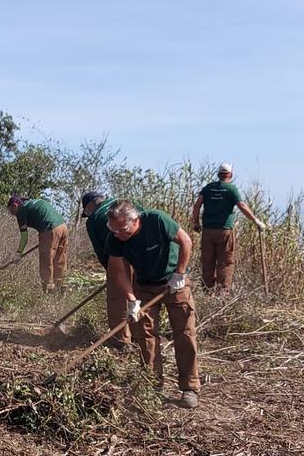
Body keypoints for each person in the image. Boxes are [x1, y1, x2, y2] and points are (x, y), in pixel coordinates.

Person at [105, 200, 201, 408]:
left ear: (135, 221)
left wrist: (180, 274)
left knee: (184, 333)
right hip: (145, 287)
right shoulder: (114, 238)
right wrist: (131, 299)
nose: (117, 234)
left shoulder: (157, 220)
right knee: (145, 336)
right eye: (113, 229)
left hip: (175, 283)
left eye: (122, 229)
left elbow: (186, 241)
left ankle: (189, 388)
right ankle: (151, 387)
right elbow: (119, 272)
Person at [191, 162, 266, 294]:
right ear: (230, 175)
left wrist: (196, 223)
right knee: (225, 262)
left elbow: (197, 206)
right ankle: (222, 294)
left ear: (218, 174)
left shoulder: (208, 188)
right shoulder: (231, 189)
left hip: (208, 231)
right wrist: (256, 221)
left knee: (208, 261)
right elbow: (242, 206)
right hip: (225, 231)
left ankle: (207, 292)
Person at [81, 191, 134, 345]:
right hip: (143, 252)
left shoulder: (93, 220)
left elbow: (102, 252)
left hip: (118, 256)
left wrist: (112, 276)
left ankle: (121, 341)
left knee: (117, 298)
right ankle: (140, 335)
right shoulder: (123, 202)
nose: (88, 214)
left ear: (90, 205)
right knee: (140, 292)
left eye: (86, 212)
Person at [8, 195, 68, 293]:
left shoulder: (21, 211)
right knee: (60, 258)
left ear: (15, 205)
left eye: (11, 210)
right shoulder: (34, 202)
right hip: (63, 226)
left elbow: (24, 237)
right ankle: (62, 287)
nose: (12, 214)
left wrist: (18, 253)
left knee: (46, 260)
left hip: (49, 229)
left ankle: (49, 291)